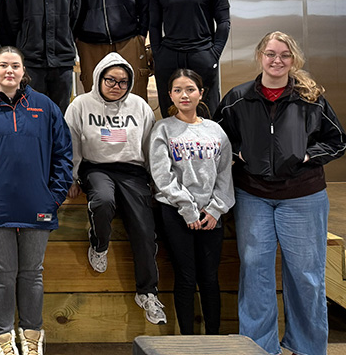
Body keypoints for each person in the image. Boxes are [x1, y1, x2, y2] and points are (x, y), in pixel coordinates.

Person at [215, 31, 345, 355]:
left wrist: (306, 156)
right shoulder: (237, 98)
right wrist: (239, 155)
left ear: (293, 60)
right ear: (260, 56)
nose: (277, 61)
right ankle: (258, 347)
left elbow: (337, 140)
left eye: (284, 55)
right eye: (271, 54)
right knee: (255, 271)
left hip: (303, 196)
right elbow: (216, 139)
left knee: (306, 276)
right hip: (254, 195)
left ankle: (308, 348)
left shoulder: (310, 98)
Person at [0, 47, 72, 355]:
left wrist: (55, 195)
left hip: (38, 205)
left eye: (15, 65)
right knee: (2, 275)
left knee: (32, 273)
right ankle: (3, 336)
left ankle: (32, 335)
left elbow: (63, 154)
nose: (9, 70)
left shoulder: (45, 106)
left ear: (23, 71)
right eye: (3, 65)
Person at [64, 52, 165, 325]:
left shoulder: (140, 106)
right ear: (99, 78)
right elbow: (70, 143)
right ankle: (99, 244)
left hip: (132, 171)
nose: (116, 86)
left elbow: (149, 146)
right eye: (110, 80)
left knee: (144, 230)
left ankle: (147, 293)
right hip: (96, 167)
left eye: (122, 82)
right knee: (103, 202)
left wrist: (154, 181)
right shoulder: (81, 105)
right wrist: (71, 178)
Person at [147, 69, 233, 335]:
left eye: (190, 89)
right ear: (170, 94)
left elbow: (224, 174)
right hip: (175, 213)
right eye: (177, 90)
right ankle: (187, 340)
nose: (184, 95)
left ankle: (214, 339)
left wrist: (216, 209)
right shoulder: (163, 129)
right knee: (185, 276)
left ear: (201, 93)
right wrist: (187, 209)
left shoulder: (215, 131)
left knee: (209, 278)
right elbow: (162, 175)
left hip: (210, 215)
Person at [149, 0, 231, 115]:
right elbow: (154, 26)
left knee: (207, 107)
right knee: (169, 107)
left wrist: (214, 53)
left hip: (202, 54)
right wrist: (158, 53)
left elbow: (224, 22)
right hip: (169, 56)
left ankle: (209, 142)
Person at [6, 0, 80, 114]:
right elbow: (13, 24)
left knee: (59, 114)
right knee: (32, 114)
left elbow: (75, 20)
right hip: (32, 63)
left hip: (62, 62)